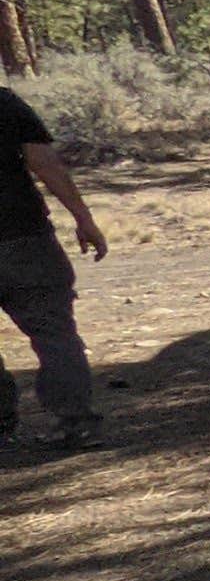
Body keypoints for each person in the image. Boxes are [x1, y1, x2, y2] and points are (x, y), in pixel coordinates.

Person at [0, 77, 107, 449]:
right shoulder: (6, 105)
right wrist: (83, 218)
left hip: (24, 239)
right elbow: (45, 164)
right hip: (24, 239)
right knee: (54, 333)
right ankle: (76, 421)